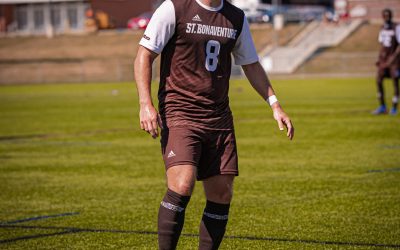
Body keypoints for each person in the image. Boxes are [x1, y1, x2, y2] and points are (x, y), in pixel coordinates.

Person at [134, 0, 294, 249]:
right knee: (182, 184)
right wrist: (146, 104)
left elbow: (250, 63)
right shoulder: (174, 8)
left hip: (218, 116)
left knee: (221, 194)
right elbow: (144, 55)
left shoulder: (236, 17)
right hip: (180, 111)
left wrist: (275, 104)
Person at [373, 8, 400, 115]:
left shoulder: (396, 27)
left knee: (395, 82)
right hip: (383, 60)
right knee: (378, 80)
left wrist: (393, 58)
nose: (386, 17)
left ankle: (394, 107)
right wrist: (379, 58)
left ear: (391, 16)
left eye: (388, 15)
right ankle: (382, 106)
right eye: (384, 16)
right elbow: (382, 45)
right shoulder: (382, 28)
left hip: (394, 61)